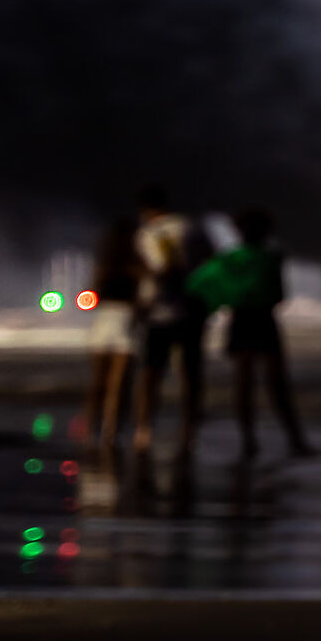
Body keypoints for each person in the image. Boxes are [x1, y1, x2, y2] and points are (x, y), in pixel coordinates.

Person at [187, 206, 311, 459]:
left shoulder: (229, 259)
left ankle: (248, 441)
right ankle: (295, 440)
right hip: (265, 321)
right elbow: (279, 296)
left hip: (241, 321)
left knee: (243, 384)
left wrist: (216, 303)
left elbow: (197, 283)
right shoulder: (272, 257)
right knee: (277, 383)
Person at [130, 183, 210, 457]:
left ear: (145, 209)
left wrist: (143, 304)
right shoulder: (192, 227)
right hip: (193, 309)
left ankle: (144, 428)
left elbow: (164, 268)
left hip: (159, 311)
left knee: (151, 372)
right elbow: (209, 263)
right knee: (190, 373)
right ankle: (188, 430)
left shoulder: (150, 232)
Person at [81, 216, 140, 457]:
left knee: (98, 383)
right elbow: (144, 294)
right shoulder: (136, 263)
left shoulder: (104, 263)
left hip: (104, 319)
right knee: (119, 384)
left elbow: (92, 293)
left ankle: (91, 431)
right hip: (125, 318)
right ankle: (111, 433)